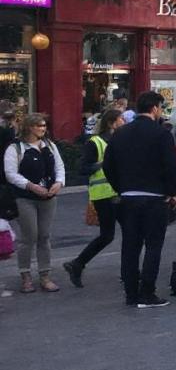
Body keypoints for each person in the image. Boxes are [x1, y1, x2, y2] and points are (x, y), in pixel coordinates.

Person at [103, 92, 176, 308]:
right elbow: (170, 166)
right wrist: (173, 192)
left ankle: (131, 293)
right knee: (153, 245)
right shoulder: (162, 134)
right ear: (155, 108)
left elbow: (108, 165)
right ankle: (147, 291)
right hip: (155, 198)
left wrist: (121, 187)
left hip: (128, 197)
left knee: (130, 246)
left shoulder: (120, 133)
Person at [63, 108, 125, 287]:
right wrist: (103, 164)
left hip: (119, 193)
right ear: (112, 123)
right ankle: (78, 263)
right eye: (121, 119)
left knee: (128, 233)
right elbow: (82, 168)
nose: (124, 122)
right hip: (104, 194)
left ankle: (79, 264)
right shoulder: (95, 142)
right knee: (108, 235)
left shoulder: (119, 140)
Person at [4, 114, 66, 293]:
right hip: (26, 197)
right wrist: (30, 186)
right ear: (29, 127)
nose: (43, 128)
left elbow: (59, 167)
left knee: (44, 236)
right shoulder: (15, 148)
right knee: (29, 236)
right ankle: (25, 275)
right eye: (39, 125)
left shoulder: (50, 146)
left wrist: (58, 183)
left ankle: (45, 275)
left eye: (44, 125)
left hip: (48, 197)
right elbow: (11, 174)